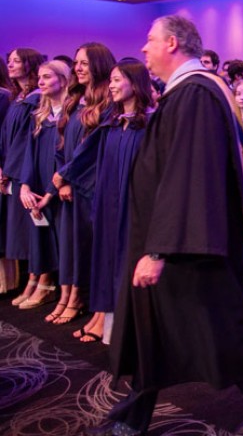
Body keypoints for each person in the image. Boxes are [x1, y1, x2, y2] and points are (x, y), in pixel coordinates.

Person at [90, 15, 243, 436]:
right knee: (154, 327)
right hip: (167, 236)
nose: (143, 49)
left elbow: (189, 173)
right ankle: (136, 413)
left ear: (173, 43)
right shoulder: (187, 93)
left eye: (150, 40)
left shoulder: (196, 94)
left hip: (191, 244)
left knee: (218, 329)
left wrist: (161, 250)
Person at [63, 58, 155, 344]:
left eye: (117, 80)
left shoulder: (151, 122)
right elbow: (91, 156)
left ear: (135, 83)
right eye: (111, 80)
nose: (111, 86)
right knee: (108, 259)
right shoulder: (113, 122)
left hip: (136, 208)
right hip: (110, 203)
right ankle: (106, 320)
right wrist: (66, 174)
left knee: (127, 262)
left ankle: (131, 331)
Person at [52, 42, 116, 326]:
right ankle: (68, 294)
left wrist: (68, 176)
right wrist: (61, 177)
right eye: (76, 63)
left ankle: (81, 295)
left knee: (86, 242)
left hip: (90, 184)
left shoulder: (107, 101)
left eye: (84, 64)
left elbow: (94, 148)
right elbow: (62, 142)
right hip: (69, 182)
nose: (77, 68)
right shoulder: (75, 98)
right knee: (70, 241)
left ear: (99, 65)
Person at [18, 61, 71, 312]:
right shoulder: (39, 115)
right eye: (39, 77)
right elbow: (28, 153)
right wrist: (25, 185)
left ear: (62, 79)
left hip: (59, 186)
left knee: (60, 234)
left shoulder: (72, 114)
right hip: (38, 182)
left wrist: (51, 191)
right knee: (39, 230)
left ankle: (56, 285)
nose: (40, 81)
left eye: (47, 77)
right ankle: (41, 280)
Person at [1, 48, 46, 302]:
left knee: (30, 228)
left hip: (22, 172)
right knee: (18, 229)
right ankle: (29, 280)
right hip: (10, 171)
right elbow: (5, 135)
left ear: (29, 64)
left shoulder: (36, 99)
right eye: (9, 60)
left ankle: (38, 280)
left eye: (16, 60)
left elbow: (24, 141)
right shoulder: (18, 98)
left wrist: (9, 170)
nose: (10, 64)